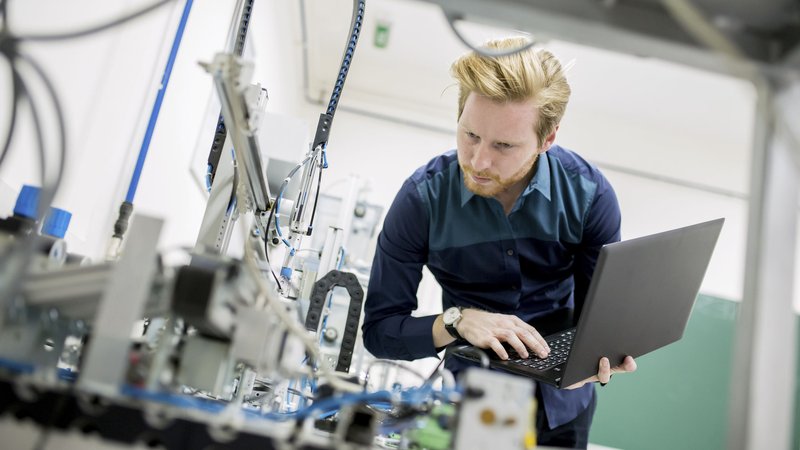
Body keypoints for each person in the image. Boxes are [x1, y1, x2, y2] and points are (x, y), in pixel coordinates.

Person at [361, 37, 636, 448]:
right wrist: (455, 320)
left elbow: (598, 316)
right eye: (470, 134)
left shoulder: (589, 195)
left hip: (564, 408)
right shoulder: (422, 201)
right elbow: (380, 332)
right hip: (468, 406)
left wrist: (607, 351)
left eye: (504, 145)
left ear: (547, 139)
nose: (479, 161)